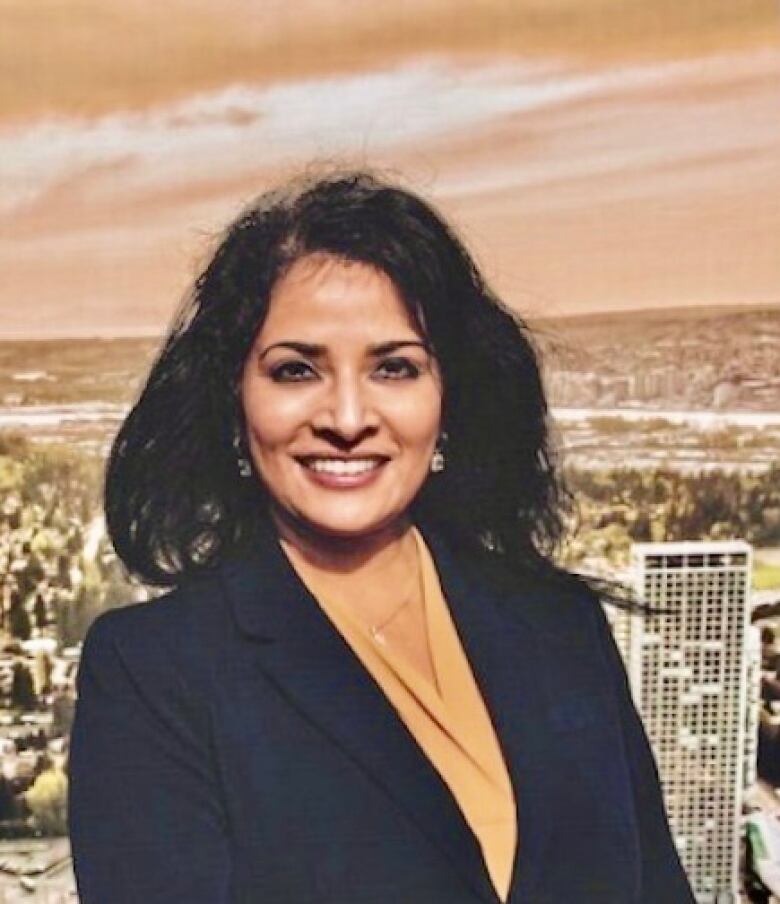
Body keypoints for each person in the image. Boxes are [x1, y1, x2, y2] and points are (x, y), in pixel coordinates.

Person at [67, 170, 696, 903]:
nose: (346, 416)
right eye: (296, 370)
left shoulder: (561, 625)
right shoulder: (157, 675)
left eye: (394, 367)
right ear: (234, 402)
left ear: (448, 399)